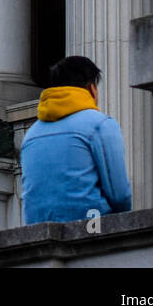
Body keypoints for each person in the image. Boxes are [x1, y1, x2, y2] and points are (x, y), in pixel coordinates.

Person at [20, 55, 133, 224]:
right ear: (92, 88)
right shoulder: (100, 124)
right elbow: (120, 196)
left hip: (38, 231)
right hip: (91, 229)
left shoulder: (31, 134)